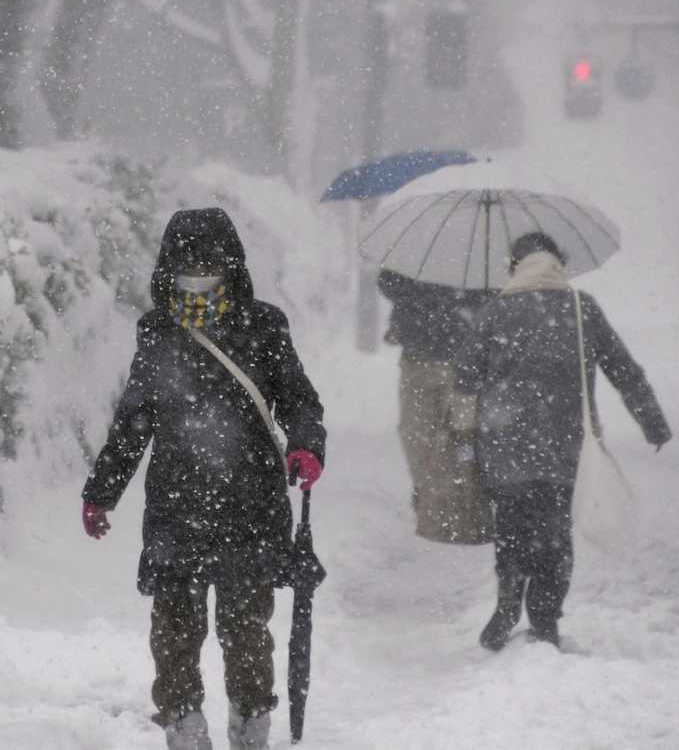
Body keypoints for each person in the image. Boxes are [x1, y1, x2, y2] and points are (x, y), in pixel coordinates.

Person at [81, 208, 326, 750]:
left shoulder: (264, 325)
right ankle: (186, 733)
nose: (198, 270)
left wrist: (307, 445)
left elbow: (297, 399)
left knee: (245, 633)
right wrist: (101, 492)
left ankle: (250, 732)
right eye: (187, 260)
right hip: (176, 507)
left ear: (230, 263)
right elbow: (135, 420)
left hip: (251, 506)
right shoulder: (158, 331)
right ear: (169, 264)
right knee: (174, 634)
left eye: (208, 260)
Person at [452, 232, 671, 651]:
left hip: (503, 444)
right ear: (558, 263)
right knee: (554, 534)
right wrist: (653, 423)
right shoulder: (580, 307)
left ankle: (508, 599)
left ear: (515, 266)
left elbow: (465, 379)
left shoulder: (496, 311)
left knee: (512, 528)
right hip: (563, 445)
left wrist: (465, 439)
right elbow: (623, 369)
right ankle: (545, 621)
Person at [377, 269, 492, 543]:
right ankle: (432, 498)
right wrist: (431, 295)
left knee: (465, 437)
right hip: (419, 355)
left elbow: (495, 294)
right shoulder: (420, 244)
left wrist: (461, 298)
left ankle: (468, 512)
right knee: (416, 434)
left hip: (465, 357)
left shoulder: (479, 247)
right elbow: (388, 282)